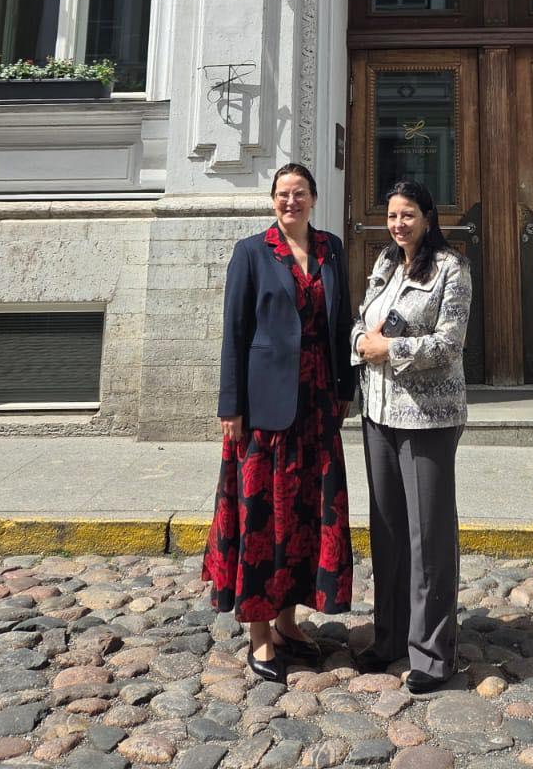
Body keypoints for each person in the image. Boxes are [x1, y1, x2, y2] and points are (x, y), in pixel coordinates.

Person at [204, 161, 356, 683]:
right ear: (272, 201)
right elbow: (234, 331)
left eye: (299, 193)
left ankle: (290, 623)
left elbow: (342, 321)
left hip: (317, 408)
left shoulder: (331, 248)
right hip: (265, 413)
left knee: (305, 518)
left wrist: (346, 390)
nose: (290, 201)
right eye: (281, 194)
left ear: (314, 198)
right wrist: (231, 406)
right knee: (263, 522)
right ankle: (260, 635)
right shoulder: (251, 252)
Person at [352, 178, 471, 694]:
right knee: (389, 533)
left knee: (429, 538)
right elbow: (362, 320)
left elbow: (450, 343)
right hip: (377, 412)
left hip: (427, 417)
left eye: (408, 215)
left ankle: (432, 654)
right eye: (392, 215)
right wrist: (360, 340)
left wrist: (389, 352)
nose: (398, 224)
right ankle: (391, 637)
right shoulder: (384, 264)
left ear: (428, 217)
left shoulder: (452, 268)